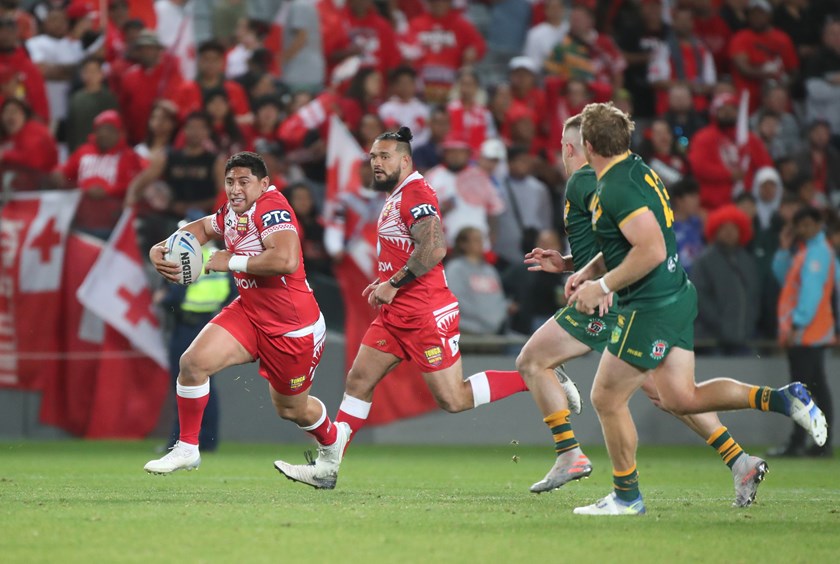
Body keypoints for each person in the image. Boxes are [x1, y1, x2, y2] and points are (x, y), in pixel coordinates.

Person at [566, 102, 826, 515]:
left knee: (606, 397)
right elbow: (627, 241)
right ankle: (782, 399)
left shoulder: (614, 187)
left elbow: (648, 248)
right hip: (674, 294)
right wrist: (587, 270)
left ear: (589, 145)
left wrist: (602, 285)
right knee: (681, 397)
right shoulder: (636, 169)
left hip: (648, 305)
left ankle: (627, 496)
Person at [519, 114, 768, 505]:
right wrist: (567, 263)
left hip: (608, 300)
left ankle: (570, 453)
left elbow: (631, 241)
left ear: (571, 148)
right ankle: (739, 460)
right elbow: (615, 242)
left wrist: (600, 285)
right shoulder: (611, 177)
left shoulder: (585, 181)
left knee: (533, 361)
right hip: (622, 296)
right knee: (668, 395)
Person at [273, 127, 535, 489]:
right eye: (373, 158)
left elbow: (434, 249)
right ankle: (327, 467)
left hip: (424, 311)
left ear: (405, 160)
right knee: (358, 381)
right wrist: (386, 278)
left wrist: (393, 283)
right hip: (396, 313)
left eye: (384, 157)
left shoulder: (415, 193)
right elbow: (405, 249)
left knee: (453, 398)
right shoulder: (397, 194)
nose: (376, 164)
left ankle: (534, 377)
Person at [143, 151, 346, 475]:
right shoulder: (232, 212)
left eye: (244, 181)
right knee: (193, 364)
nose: (235, 188)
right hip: (250, 312)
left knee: (292, 409)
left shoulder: (273, 209)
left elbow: (286, 260)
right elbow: (203, 227)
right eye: (229, 181)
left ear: (264, 184)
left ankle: (333, 441)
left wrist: (231, 261)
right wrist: (161, 247)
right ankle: (187, 448)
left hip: (291, 328)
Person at [159, 215, 235, 452]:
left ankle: (179, 441)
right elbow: (232, 293)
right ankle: (209, 440)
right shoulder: (217, 255)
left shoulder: (186, 256)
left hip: (187, 325)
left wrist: (162, 299)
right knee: (207, 385)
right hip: (211, 322)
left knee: (184, 383)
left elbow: (174, 297)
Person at [770, 207, 835, 457]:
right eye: (801, 225)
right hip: (809, 332)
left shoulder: (817, 253)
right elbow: (785, 279)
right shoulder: (809, 251)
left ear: (819, 224)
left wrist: (797, 325)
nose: (804, 229)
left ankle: (803, 442)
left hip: (807, 333)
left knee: (803, 390)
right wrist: (784, 249)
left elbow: (811, 293)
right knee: (814, 388)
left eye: (808, 224)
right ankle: (817, 443)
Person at [691, 205, 760, 355]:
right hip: (711, 340)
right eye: (724, 228)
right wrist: (722, 325)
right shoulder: (704, 261)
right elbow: (699, 297)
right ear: (715, 231)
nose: (729, 232)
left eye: (734, 228)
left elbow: (755, 296)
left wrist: (748, 324)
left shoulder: (747, 260)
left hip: (744, 338)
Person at [444, 226, 508, 335]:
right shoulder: (455, 268)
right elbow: (456, 299)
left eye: (481, 239)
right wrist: (485, 317)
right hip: (466, 331)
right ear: (463, 244)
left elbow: (499, 298)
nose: (481, 243)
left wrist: (497, 317)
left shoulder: (490, 270)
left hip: (492, 331)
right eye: (476, 240)